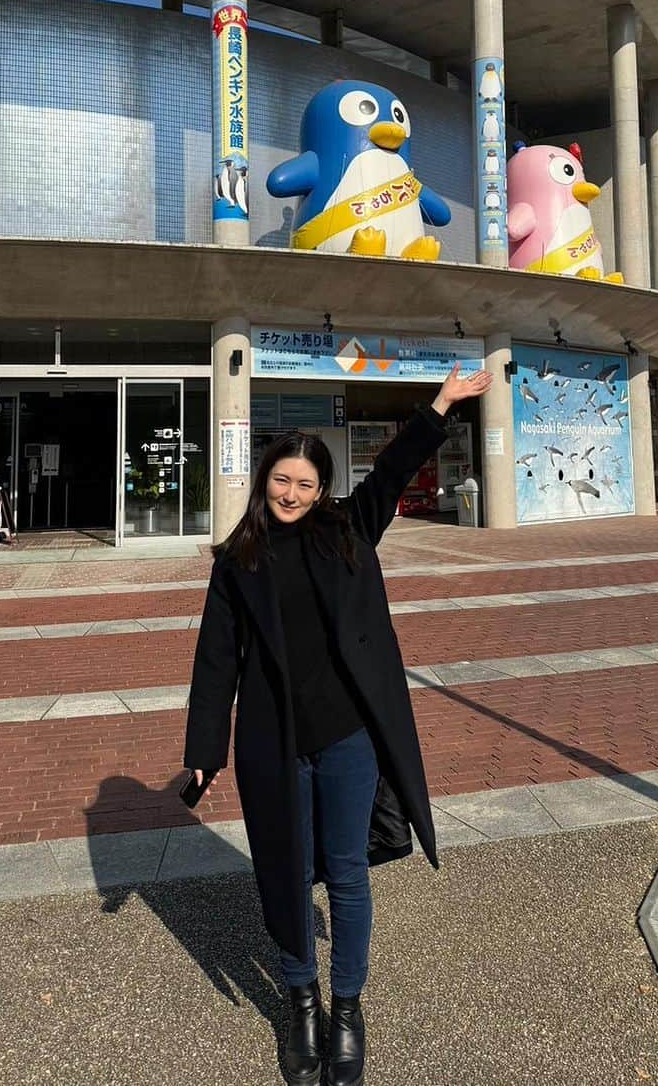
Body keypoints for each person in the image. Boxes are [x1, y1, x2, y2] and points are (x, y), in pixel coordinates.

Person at [184, 363, 493, 1085]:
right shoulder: (237, 560)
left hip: (348, 735)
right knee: (287, 875)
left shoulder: (348, 529)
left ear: (323, 489)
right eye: (281, 481)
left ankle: (347, 1008)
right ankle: (300, 1001)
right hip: (275, 741)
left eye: (306, 484)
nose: (291, 494)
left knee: (349, 876)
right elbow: (214, 660)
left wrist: (441, 405)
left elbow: (392, 469)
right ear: (265, 481)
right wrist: (205, 750)